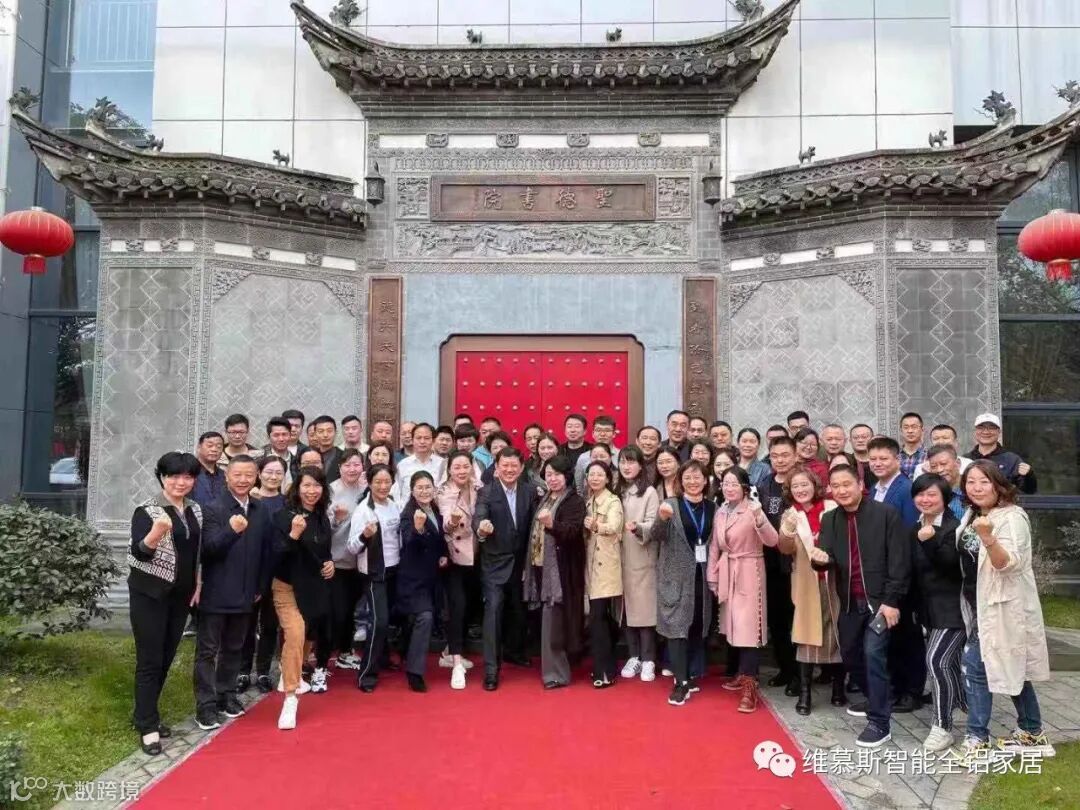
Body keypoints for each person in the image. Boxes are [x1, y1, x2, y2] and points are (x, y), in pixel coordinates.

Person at [955, 460, 1053, 760]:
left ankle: (977, 739)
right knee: (1011, 668)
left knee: (976, 667)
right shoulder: (973, 514)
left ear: (998, 485)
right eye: (970, 482)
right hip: (978, 605)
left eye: (984, 481)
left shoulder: (1012, 518)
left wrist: (988, 538)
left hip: (1003, 607)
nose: (976, 488)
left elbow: (1008, 564)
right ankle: (1032, 731)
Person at [813, 465, 911, 749]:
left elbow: (899, 561)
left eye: (847, 484)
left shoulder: (885, 514)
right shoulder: (830, 519)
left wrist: (891, 601)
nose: (842, 490)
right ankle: (876, 697)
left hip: (880, 603)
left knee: (873, 653)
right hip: (849, 603)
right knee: (850, 656)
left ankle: (880, 722)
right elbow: (826, 558)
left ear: (859, 485)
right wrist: (819, 559)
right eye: (836, 486)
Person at [127, 452, 203, 756]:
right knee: (150, 660)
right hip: (150, 595)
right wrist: (156, 534)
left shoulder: (195, 510)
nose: (180, 482)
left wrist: (198, 584)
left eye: (187, 476)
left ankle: (144, 712)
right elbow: (139, 553)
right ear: (162, 477)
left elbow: (197, 552)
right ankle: (147, 724)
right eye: (174, 476)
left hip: (180, 596)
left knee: (166, 657)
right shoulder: (147, 511)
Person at [195, 455, 272, 731]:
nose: (243, 480)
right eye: (237, 475)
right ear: (227, 477)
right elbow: (208, 550)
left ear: (256, 477)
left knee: (234, 647)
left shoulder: (260, 510)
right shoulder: (212, 508)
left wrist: (260, 586)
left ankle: (226, 695)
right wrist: (231, 530)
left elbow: (265, 552)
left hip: (246, 593)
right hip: (216, 593)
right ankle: (205, 705)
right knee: (207, 651)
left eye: (248, 475)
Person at [708, 466, 779, 713]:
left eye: (734, 484)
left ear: (745, 487)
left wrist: (760, 517)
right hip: (728, 570)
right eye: (725, 483)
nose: (729, 488)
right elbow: (715, 547)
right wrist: (712, 577)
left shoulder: (753, 508)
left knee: (749, 629)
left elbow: (772, 540)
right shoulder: (721, 511)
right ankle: (742, 672)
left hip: (749, 570)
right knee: (733, 626)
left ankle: (751, 684)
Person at [271, 466, 334, 730]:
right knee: (295, 632)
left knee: (309, 631)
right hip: (286, 586)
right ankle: (290, 698)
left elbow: (323, 551)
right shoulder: (283, 516)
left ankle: (290, 671)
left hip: (314, 587)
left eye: (317, 486)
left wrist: (329, 563)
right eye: (306, 485)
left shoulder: (321, 517)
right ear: (297, 488)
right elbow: (276, 555)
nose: (312, 491)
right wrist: (293, 535)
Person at [776, 468, 843, 716]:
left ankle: (838, 688)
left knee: (837, 632)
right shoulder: (790, 514)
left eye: (804, 484)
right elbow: (784, 548)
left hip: (835, 579)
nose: (800, 490)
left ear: (814, 485)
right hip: (806, 582)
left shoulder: (832, 507)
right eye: (795, 486)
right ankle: (805, 693)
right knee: (806, 634)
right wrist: (787, 529)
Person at [909, 473, 966, 753]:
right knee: (948, 663)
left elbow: (952, 567)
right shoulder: (915, 527)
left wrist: (929, 541)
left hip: (954, 610)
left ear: (945, 498)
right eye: (920, 494)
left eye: (932, 494)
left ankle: (942, 727)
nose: (925, 499)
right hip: (928, 612)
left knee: (937, 661)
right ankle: (966, 703)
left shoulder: (956, 528)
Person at [866, 436, 923, 713]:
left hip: (901, 574)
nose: (877, 463)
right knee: (891, 635)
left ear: (896, 460)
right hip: (881, 574)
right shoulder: (873, 488)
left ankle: (912, 691)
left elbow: (909, 535)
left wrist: (902, 576)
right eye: (873, 459)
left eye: (883, 458)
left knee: (907, 635)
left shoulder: (905, 490)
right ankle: (896, 688)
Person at [652, 460, 715, 706]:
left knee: (697, 625)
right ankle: (680, 682)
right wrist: (661, 519)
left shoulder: (713, 508)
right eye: (687, 477)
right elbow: (656, 535)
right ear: (680, 481)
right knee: (677, 629)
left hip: (702, 577)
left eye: (697, 477)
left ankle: (691, 673)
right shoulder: (671, 505)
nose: (692, 481)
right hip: (676, 578)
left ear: (706, 480)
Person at [474, 447, 538, 690]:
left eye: (514, 466)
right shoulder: (487, 492)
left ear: (521, 468)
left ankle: (513, 652)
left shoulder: (529, 491)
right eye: (505, 466)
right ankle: (491, 670)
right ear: (497, 467)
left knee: (519, 611)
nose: (509, 470)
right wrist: (482, 528)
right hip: (494, 563)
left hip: (521, 563)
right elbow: (479, 517)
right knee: (493, 612)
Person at [525, 455, 587, 689]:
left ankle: (556, 674)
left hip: (561, 570)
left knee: (554, 621)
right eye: (548, 474)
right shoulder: (544, 498)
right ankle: (554, 668)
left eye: (557, 474)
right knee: (550, 619)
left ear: (567, 476)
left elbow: (572, 532)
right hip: (540, 565)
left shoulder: (574, 501)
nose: (552, 479)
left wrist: (551, 525)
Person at [347, 464, 401, 693]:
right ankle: (366, 674)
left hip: (395, 569)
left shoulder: (394, 505)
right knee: (379, 621)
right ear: (369, 483)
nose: (382, 486)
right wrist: (364, 535)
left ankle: (383, 658)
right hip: (374, 573)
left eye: (387, 481)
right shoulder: (363, 510)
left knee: (388, 619)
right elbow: (351, 547)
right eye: (377, 482)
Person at [239, 455, 288, 693]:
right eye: (269, 471)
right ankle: (242, 671)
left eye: (278, 472)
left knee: (270, 625)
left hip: (276, 571)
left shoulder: (287, 502)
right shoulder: (248, 500)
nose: (273, 476)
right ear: (259, 473)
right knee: (246, 624)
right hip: (250, 570)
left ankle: (263, 672)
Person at [396, 471, 448, 692]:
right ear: (412, 491)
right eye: (420, 488)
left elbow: (438, 537)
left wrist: (443, 554)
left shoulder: (434, 508)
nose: (425, 491)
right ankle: (415, 672)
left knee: (421, 618)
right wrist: (418, 529)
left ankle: (405, 649)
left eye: (428, 487)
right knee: (424, 617)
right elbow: (409, 542)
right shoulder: (409, 513)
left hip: (432, 577)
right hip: (413, 579)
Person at [756, 435, 798, 692]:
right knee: (778, 619)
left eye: (785, 455)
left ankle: (799, 675)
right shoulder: (764, 484)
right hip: (770, 561)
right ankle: (785, 669)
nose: (780, 460)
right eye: (775, 456)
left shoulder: (801, 482)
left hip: (796, 562)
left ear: (795, 456)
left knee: (797, 620)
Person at [437, 450, 480, 689]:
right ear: (449, 470)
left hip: (476, 554)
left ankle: (449, 651)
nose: (462, 471)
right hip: (454, 555)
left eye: (466, 466)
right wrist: (452, 522)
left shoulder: (478, 487)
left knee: (469, 605)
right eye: (457, 467)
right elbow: (446, 523)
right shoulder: (444, 492)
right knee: (457, 605)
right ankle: (455, 662)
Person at [616, 446, 660, 682]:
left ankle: (648, 659)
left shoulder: (649, 492)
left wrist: (638, 528)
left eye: (631, 462)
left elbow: (654, 524)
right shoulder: (617, 490)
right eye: (623, 462)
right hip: (619, 559)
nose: (626, 467)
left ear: (641, 466)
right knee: (626, 611)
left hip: (642, 558)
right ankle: (633, 656)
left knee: (644, 612)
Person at [583, 461, 625, 688]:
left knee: (598, 618)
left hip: (606, 567)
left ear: (608, 478)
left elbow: (616, 526)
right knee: (600, 618)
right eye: (591, 474)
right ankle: (606, 667)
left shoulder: (613, 501)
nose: (595, 478)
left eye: (600, 475)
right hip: (591, 567)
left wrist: (597, 526)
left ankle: (604, 671)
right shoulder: (589, 501)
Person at [328, 450, 367, 671]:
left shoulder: (365, 489)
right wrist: (337, 520)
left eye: (356, 464)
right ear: (340, 467)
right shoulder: (331, 491)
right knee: (339, 610)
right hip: (337, 560)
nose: (352, 469)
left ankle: (345, 651)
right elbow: (323, 527)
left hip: (360, 560)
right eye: (348, 465)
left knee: (351, 608)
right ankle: (330, 652)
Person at [969, 413, 1037, 494]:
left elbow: (1029, 490)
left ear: (999, 432)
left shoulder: (1012, 460)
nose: (986, 432)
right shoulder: (965, 459)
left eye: (991, 428)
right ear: (975, 431)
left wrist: (1029, 475)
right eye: (981, 428)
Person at [393, 423, 445, 502]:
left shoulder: (442, 464)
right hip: (408, 509)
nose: (422, 441)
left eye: (426, 438)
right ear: (412, 440)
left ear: (433, 441)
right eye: (418, 438)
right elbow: (397, 493)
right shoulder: (402, 465)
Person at [574, 414, 618, 484]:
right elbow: (579, 485)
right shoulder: (583, 458)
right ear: (593, 433)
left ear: (614, 434)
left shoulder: (621, 456)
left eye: (607, 430)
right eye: (598, 430)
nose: (602, 434)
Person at [925, 444, 966, 518]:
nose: (939, 470)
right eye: (933, 466)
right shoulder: (930, 493)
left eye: (943, 464)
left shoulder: (971, 490)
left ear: (958, 463)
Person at [261, 417, 296, 492]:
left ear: (290, 435)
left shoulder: (297, 461)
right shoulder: (259, 459)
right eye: (276, 435)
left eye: (284, 434)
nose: (281, 439)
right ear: (268, 437)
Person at [192, 431, 226, 508]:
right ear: (199, 447)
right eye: (210, 445)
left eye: (219, 446)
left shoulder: (225, 475)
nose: (214, 449)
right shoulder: (189, 472)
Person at [309, 415, 342, 483]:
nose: (325, 435)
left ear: (336, 432)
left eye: (329, 431)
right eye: (321, 431)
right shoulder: (308, 456)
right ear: (315, 434)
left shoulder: (344, 456)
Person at [899, 412, 927, 479]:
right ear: (901, 431)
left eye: (914, 427)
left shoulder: (929, 455)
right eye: (906, 427)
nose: (910, 431)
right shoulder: (894, 455)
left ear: (922, 430)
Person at [849, 423, 877, 490]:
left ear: (872, 439)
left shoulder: (880, 463)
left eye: (864, 437)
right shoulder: (846, 463)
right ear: (850, 440)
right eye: (856, 437)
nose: (860, 440)